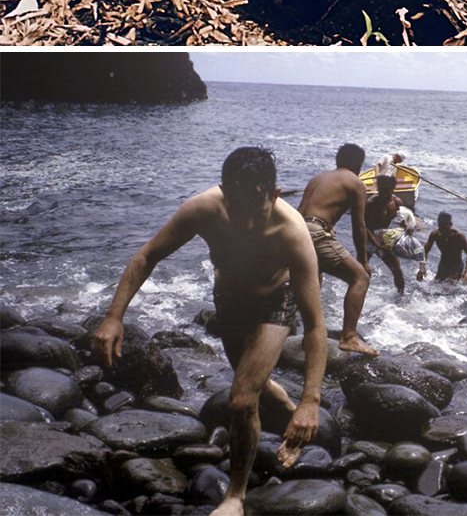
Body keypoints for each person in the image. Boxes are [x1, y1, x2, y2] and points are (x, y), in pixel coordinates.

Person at [93, 147, 327, 516]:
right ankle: (284, 406)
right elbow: (147, 255)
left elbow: (315, 325)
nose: (247, 224)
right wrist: (113, 316)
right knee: (249, 382)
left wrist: (312, 401)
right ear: (223, 191)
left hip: (274, 302)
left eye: (257, 210)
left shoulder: (292, 233)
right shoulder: (203, 209)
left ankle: (234, 496)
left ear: (275, 194)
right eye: (238, 211)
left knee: (241, 400)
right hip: (229, 298)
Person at [299, 142, 377, 356]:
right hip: (316, 231)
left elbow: (300, 212)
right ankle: (349, 336)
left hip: (298, 231)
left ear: (338, 161)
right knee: (360, 278)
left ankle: (309, 334)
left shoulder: (318, 178)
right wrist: (364, 260)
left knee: (314, 278)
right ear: (359, 164)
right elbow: (359, 226)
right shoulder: (355, 182)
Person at [366, 175, 426, 294]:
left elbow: (402, 218)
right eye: (382, 192)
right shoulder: (371, 203)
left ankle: (401, 295)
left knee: (397, 270)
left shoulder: (397, 202)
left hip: (384, 238)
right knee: (362, 269)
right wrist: (376, 244)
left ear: (393, 190)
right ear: (378, 190)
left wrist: (407, 226)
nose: (385, 195)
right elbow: (364, 227)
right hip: (368, 238)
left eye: (388, 192)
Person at [417, 211, 467, 284]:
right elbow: (424, 251)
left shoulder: (458, 236)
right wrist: (422, 268)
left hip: (456, 266)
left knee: (451, 289)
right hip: (443, 265)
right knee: (435, 285)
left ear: (450, 225)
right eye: (440, 227)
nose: (443, 231)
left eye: (445, 228)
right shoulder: (435, 234)